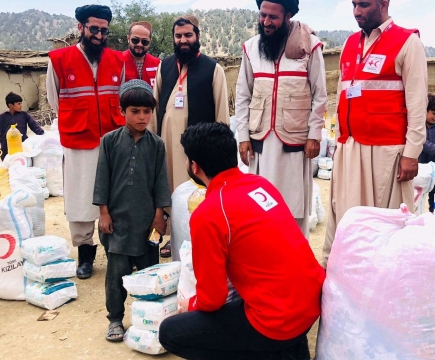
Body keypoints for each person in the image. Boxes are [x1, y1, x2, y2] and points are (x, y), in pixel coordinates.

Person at [158, 122, 325, 360]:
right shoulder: (260, 184)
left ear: (194, 166)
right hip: (309, 304)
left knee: (171, 332)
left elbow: (212, 299)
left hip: (276, 321)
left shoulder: (209, 213)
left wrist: (190, 306)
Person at [321, 0, 427, 265]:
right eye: (354, 4)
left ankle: (382, 274)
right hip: (349, 146)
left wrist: (411, 153)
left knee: (383, 219)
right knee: (346, 213)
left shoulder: (408, 42)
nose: (357, 11)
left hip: (386, 150)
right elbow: (341, 95)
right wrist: (338, 141)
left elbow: (417, 103)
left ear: (384, 3)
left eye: (364, 5)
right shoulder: (348, 45)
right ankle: (344, 269)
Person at [236, 0, 327, 238]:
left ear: (287, 16)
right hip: (261, 143)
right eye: (262, 15)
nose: (266, 22)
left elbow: (320, 95)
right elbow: (243, 95)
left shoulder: (310, 45)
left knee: (292, 207)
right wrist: (243, 137)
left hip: (294, 143)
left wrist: (314, 135)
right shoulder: (251, 48)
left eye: (273, 17)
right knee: (259, 206)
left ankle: (294, 262)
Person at [47, 4, 125, 279]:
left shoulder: (118, 60)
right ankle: (85, 255)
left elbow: (123, 99)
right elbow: (54, 100)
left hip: (112, 140)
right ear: (80, 27)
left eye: (104, 30)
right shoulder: (58, 60)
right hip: (78, 140)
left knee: (116, 195)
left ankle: (118, 251)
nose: (99, 35)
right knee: (81, 199)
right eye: (94, 29)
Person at [93, 79, 171, 341]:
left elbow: (161, 180)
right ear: (122, 111)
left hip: (147, 223)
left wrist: (160, 214)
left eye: (147, 111)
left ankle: (149, 320)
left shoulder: (157, 144)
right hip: (118, 224)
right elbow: (102, 178)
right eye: (135, 111)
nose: (142, 117)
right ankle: (115, 319)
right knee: (116, 275)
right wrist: (103, 212)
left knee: (150, 275)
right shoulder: (109, 141)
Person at [149, 15, 230, 195]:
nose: (183, 40)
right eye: (178, 36)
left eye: (188, 35)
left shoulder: (213, 69)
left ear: (198, 36)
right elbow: (153, 109)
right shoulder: (165, 66)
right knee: (168, 191)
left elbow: (222, 113)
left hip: (199, 148)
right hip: (167, 144)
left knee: (195, 196)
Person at [0, 92, 44, 159]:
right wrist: (3, 131)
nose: (21, 106)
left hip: (22, 144)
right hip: (6, 146)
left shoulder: (24, 115)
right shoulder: (3, 116)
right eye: (18, 104)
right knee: (8, 162)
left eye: (21, 103)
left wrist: (42, 134)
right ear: (10, 105)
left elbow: (34, 125)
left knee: (22, 161)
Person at [123, 21, 160, 87]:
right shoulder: (117, 62)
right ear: (128, 38)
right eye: (135, 40)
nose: (139, 44)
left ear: (150, 41)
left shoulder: (158, 65)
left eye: (144, 41)